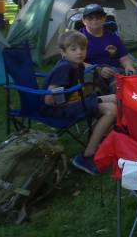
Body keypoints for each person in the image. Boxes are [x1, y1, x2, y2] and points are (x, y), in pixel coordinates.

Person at [43, 31, 117, 176]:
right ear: (63, 52)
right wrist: (73, 100)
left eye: (82, 49)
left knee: (116, 97)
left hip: (74, 102)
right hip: (59, 109)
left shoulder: (79, 66)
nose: (79, 52)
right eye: (73, 49)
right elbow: (49, 100)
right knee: (111, 110)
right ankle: (87, 155)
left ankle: (99, 138)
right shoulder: (64, 68)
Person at [78, 3, 137, 95]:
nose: (95, 20)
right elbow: (75, 62)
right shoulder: (78, 37)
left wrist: (129, 66)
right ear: (83, 20)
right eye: (90, 18)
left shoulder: (112, 36)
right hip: (92, 72)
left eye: (98, 17)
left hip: (114, 71)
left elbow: (124, 57)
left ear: (104, 18)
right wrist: (98, 69)